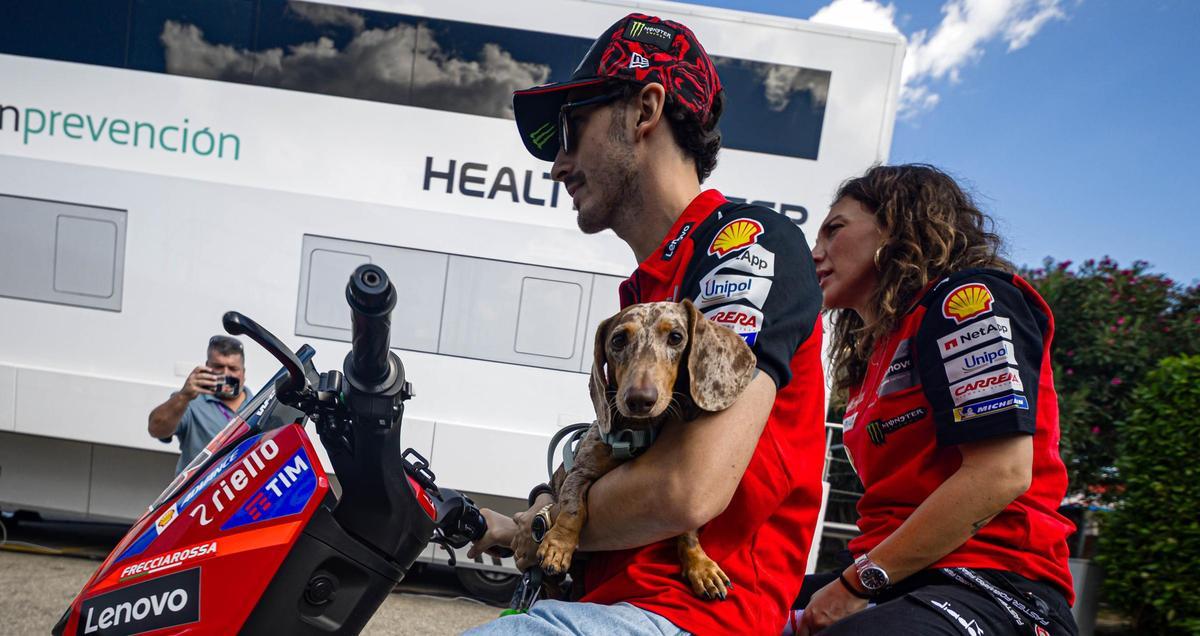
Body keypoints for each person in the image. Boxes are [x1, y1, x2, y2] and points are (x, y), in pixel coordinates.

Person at [466, 12, 827, 635]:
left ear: (644, 110)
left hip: (693, 615)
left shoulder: (747, 245)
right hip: (612, 603)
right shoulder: (650, 290)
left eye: (573, 130)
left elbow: (685, 490)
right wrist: (523, 520)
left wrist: (544, 528)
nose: (559, 164)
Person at [795, 164, 1077, 635]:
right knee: (724, 611)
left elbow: (1001, 472)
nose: (815, 252)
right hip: (896, 580)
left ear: (896, 226)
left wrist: (855, 585)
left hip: (998, 585)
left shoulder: (964, 300)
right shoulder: (874, 355)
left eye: (834, 230)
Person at [148, 335, 253, 475]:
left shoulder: (260, 405)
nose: (226, 374)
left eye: (233, 368)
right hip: (198, 493)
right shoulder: (189, 402)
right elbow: (156, 429)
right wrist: (183, 396)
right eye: (218, 367)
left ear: (243, 373)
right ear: (207, 367)